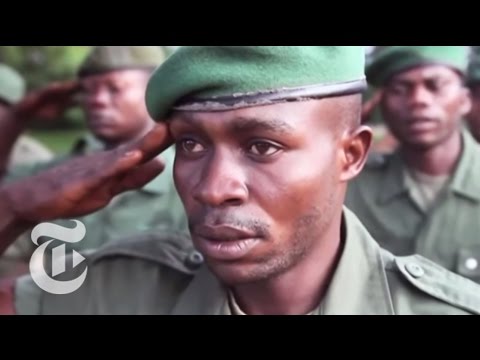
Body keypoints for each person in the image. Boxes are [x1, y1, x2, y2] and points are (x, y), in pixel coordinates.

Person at [4, 46, 480, 315]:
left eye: (262, 147)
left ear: (351, 155)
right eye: (191, 144)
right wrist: (14, 208)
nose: (214, 187)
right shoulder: (118, 291)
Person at [0, 47, 189, 278]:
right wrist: (17, 119)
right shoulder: (53, 173)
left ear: (154, 92)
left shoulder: (187, 182)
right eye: (88, 91)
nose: (97, 100)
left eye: (113, 89)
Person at [346, 46, 480, 283]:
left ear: (465, 100)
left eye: (435, 85)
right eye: (400, 89)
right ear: (381, 104)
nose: (418, 100)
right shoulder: (351, 189)